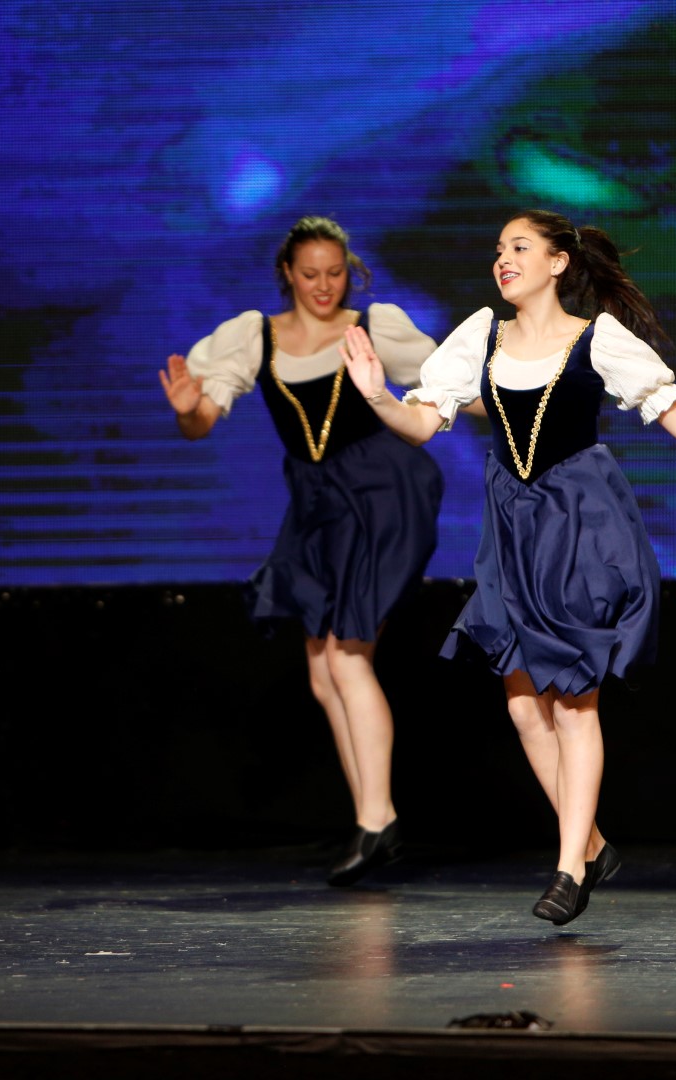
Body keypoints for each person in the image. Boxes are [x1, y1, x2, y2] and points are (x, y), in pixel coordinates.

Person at [340, 207, 676, 924]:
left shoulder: (597, 338)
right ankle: (594, 845)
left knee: (574, 700)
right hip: (513, 530)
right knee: (521, 705)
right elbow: (421, 424)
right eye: (498, 248)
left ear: (558, 262)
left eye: (519, 247)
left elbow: (673, 414)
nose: (503, 259)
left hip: (582, 524)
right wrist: (377, 395)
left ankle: (569, 867)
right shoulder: (480, 336)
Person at [158, 216, 445, 887]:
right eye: (310, 273)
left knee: (347, 656)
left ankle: (378, 821)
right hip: (316, 503)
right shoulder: (254, 336)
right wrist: (187, 409)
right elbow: (201, 423)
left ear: (350, 272)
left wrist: (518, 398)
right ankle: (373, 819)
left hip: (381, 490)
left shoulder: (372, 328)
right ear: (287, 273)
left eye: (335, 273)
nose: (323, 285)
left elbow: (447, 385)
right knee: (322, 673)